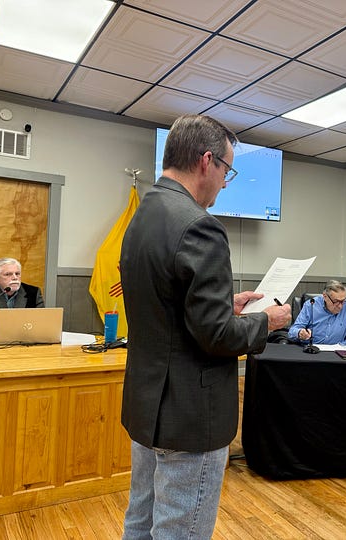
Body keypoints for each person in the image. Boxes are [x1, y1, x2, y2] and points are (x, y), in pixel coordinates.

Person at [119, 113, 291, 539]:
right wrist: (266, 321)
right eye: (227, 170)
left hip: (148, 405)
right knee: (180, 530)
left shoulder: (143, 214)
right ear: (206, 161)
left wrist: (223, 305)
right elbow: (217, 336)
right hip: (189, 414)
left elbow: (164, 302)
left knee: (140, 521)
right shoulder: (200, 225)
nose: (225, 184)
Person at [287, 280, 346, 345]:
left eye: (343, 301)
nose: (340, 306)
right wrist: (300, 333)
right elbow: (292, 332)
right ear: (325, 296)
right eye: (336, 301)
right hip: (312, 349)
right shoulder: (311, 305)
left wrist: (339, 347)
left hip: (337, 351)